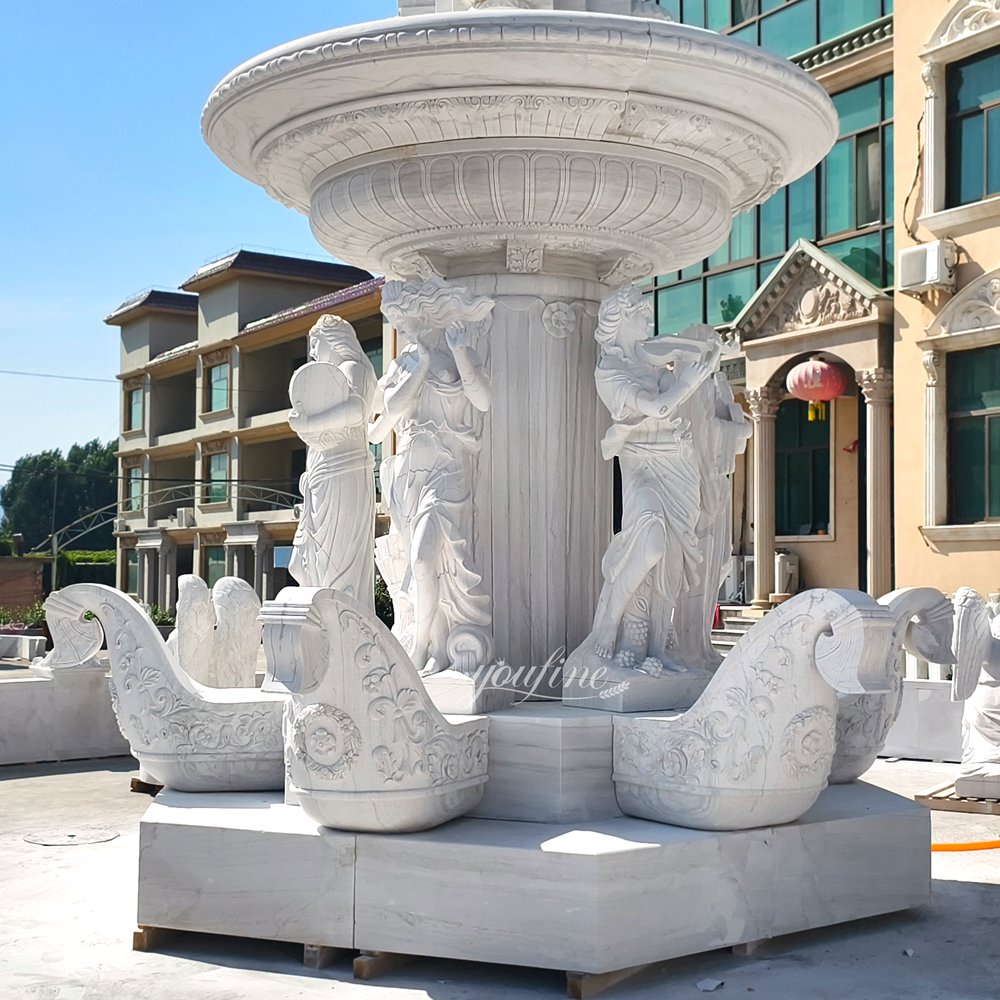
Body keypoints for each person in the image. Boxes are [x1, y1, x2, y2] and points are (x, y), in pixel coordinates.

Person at [586, 286, 720, 675]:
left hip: (680, 468)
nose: (649, 321)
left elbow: (670, 396)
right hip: (643, 466)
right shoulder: (610, 372)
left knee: (672, 562)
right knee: (649, 544)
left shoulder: (653, 366)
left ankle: (655, 647)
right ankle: (606, 628)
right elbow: (658, 406)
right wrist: (690, 380)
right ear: (620, 320)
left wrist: (701, 357)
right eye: (642, 314)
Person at [370, 277, 494, 674]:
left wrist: (460, 354)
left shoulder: (461, 352)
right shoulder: (401, 366)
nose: (408, 328)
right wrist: (415, 370)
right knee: (418, 565)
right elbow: (379, 427)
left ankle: (422, 644)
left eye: (414, 319)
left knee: (425, 560)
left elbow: (483, 400)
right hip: (408, 478)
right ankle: (435, 644)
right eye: (404, 323)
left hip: (447, 473)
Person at [288, 315, 379, 607]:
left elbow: (356, 410)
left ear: (335, 340)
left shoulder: (354, 369)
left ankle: (341, 621)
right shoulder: (330, 381)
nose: (313, 353)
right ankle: (325, 619)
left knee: (338, 562)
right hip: (323, 476)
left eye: (316, 344)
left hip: (345, 472)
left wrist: (309, 422)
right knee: (308, 564)